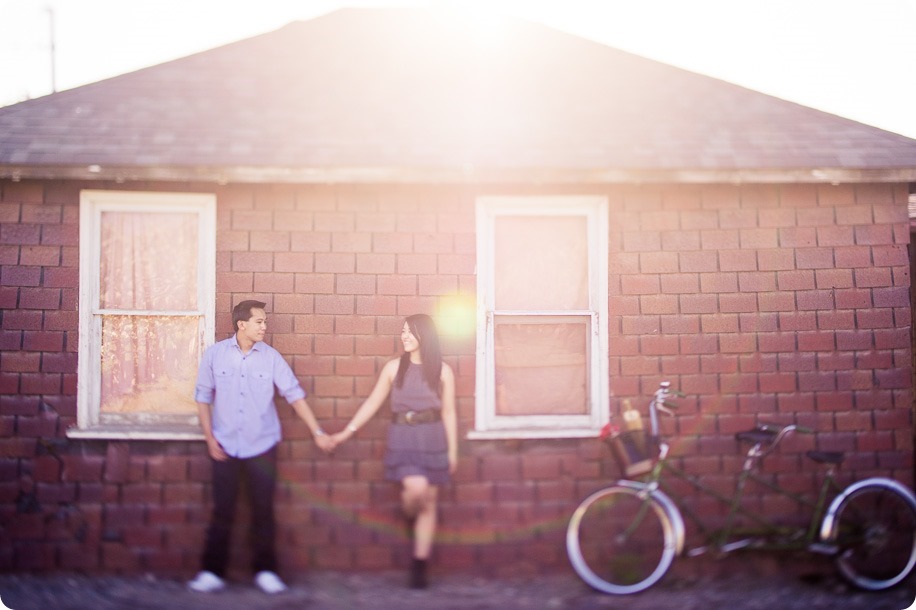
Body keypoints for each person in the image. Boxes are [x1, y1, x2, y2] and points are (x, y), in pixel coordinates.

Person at [188, 300, 334, 594]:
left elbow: (294, 395)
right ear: (242, 325)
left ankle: (266, 571)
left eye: (264, 322)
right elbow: (202, 397)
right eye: (259, 322)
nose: (264, 327)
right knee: (223, 511)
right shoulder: (215, 355)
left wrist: (317, 431)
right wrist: (209, 437)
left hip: (262, 446)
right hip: (224, 446)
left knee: (263, 511)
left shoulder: (271, 358)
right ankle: (212, 572)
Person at [330, 314, 457, 588]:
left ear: (425, 335)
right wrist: (345, 433)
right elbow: (372, 404)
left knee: (430, 503)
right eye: (403, 332)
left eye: (410, 332)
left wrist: (453, 452)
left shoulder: (443, 370)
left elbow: (448, 412)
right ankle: (408, 512)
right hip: (403, 437)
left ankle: (419, 565)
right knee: (417, 491)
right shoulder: (393, 368)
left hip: (433, 436)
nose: (405, 336)